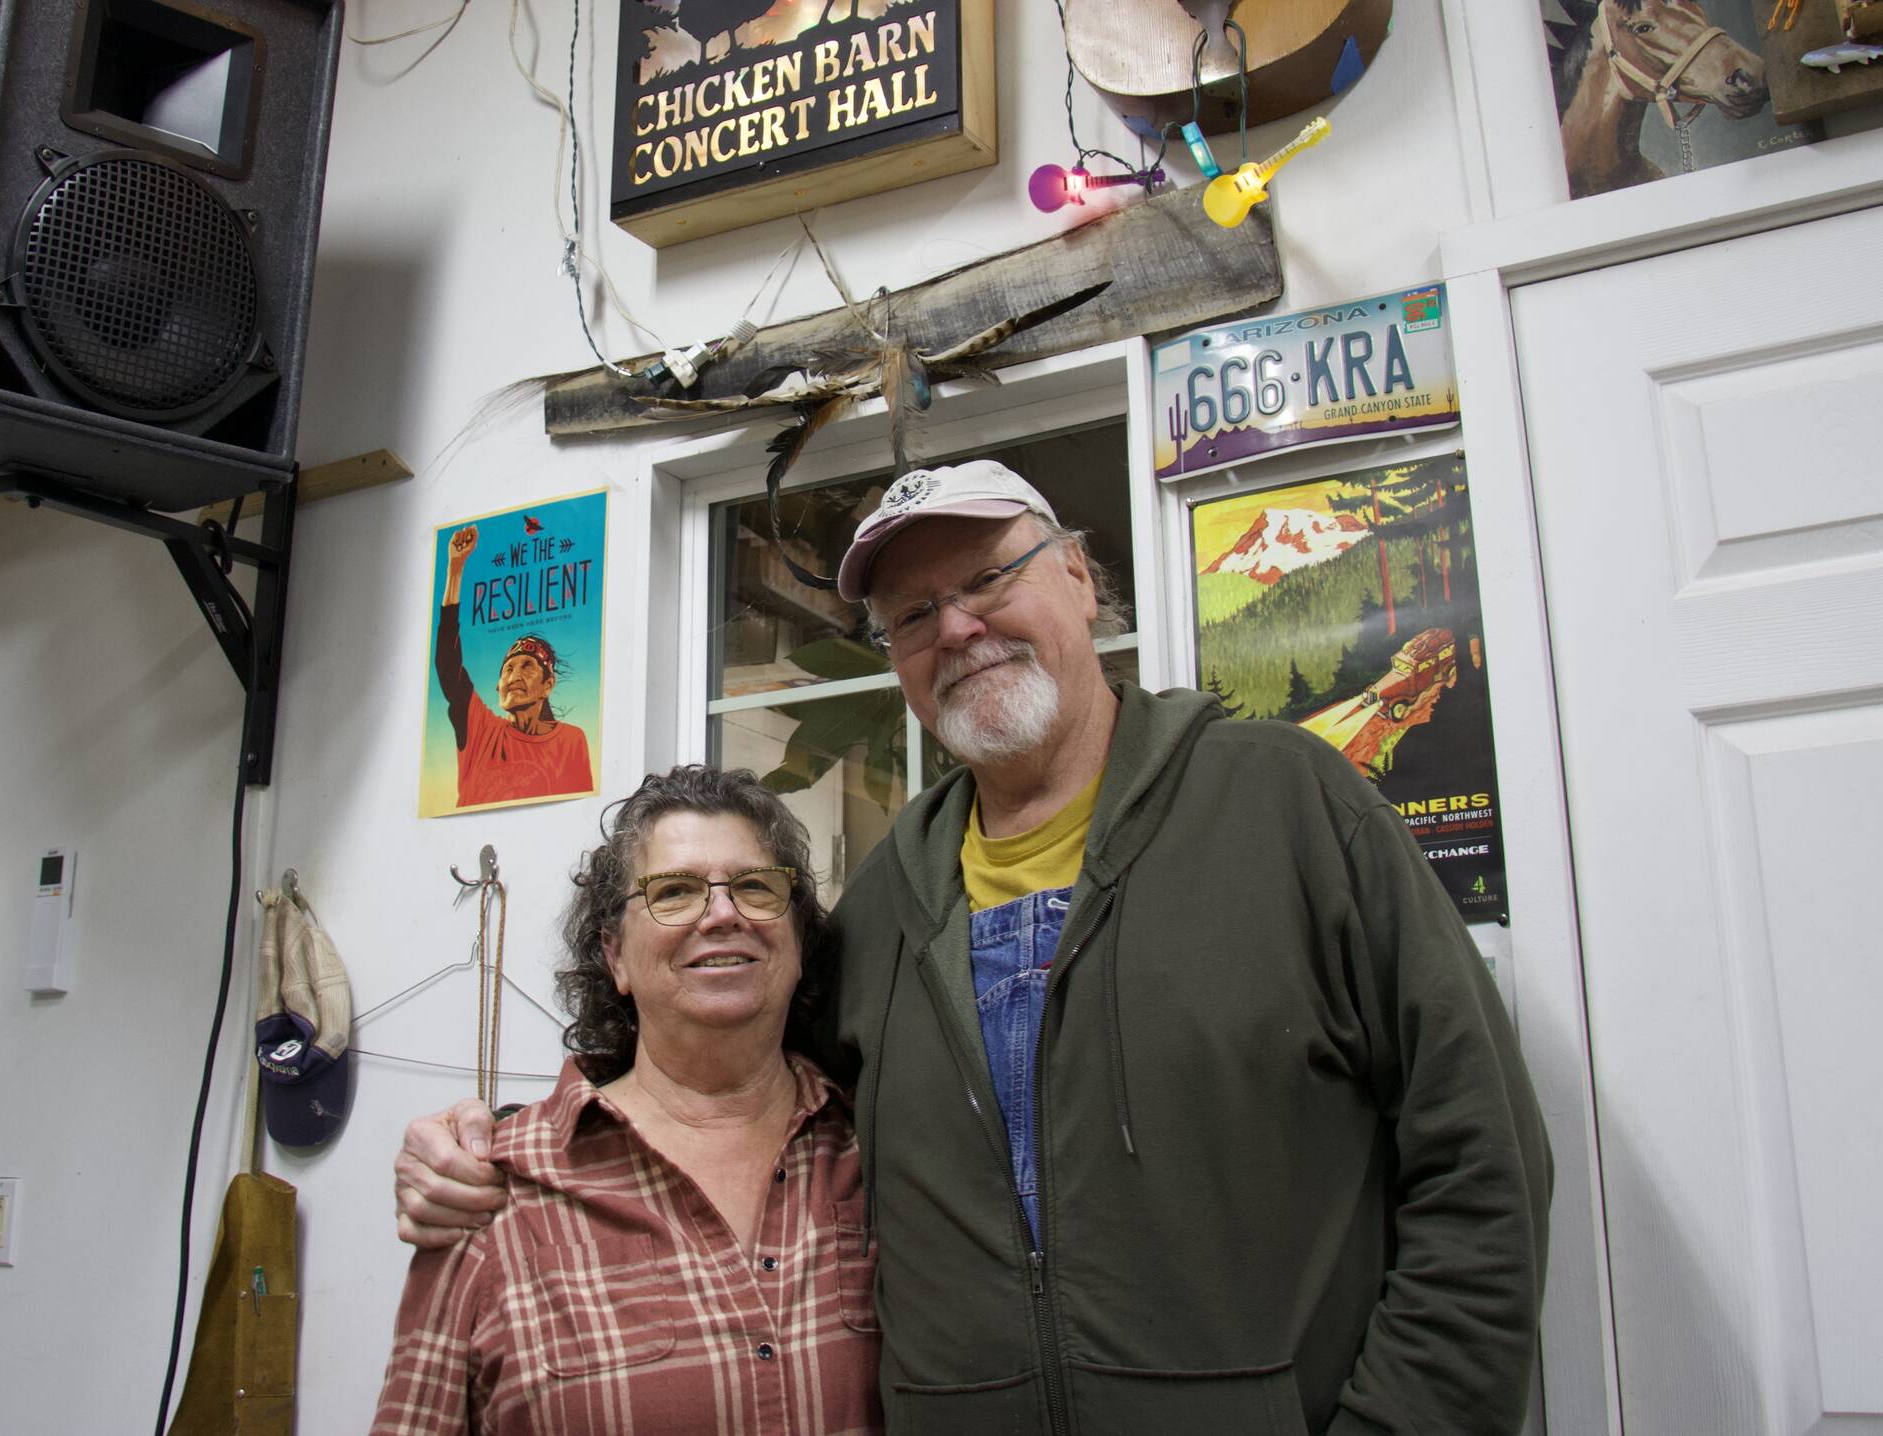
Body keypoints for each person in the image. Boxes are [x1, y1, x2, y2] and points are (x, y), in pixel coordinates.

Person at [395, 461, 1552, 1435]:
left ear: (1080, 578)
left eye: (988, 575)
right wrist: (495, 1146)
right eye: (910, 615)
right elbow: (727, 1078)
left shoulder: (1283, 806)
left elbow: (1478, 1160)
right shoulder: (886, 903)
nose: (955, 626)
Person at [371, 765, 882, 1434]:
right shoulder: (493, 1194)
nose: (723, 913)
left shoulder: (874, 1147)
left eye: (756, 887)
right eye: (674, 892)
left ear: (797, 939)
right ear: (615, 955)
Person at [436, 523, 593, 806]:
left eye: (527, 666)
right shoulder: (480, 730)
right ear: (497, 688)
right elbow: (448, 663)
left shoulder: (571, 742)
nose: (514, 675)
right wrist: (456, 570)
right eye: (508, 669)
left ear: (548, 684)